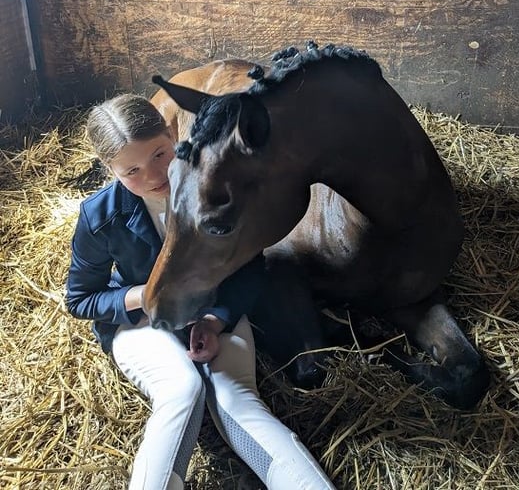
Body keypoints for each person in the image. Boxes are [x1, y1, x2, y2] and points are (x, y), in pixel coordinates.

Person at [66, 93, 336, 490]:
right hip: (142, 321)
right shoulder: (99, 216)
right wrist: (147, 296)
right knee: (181, 388)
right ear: (111, 170)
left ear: (173, 132)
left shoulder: (216, 189)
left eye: (159, 154)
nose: (153, 176)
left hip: (212, 306)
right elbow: (80, 299)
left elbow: (250, 265)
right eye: (132, 171)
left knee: (237, 397)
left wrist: (216, 319)